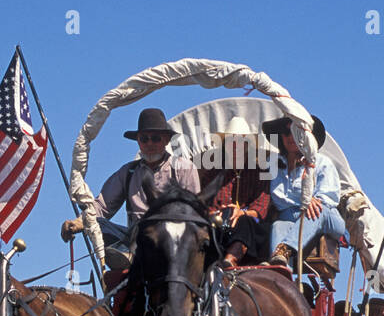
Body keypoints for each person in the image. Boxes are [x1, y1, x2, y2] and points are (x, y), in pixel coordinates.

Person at [60, 107, 199, 267]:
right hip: (134, 238)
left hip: (171, 239)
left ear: (166, 140)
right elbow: (101, 207)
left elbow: (192, 211)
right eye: (144, 139)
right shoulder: (128, 172)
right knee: (97, 224)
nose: (149, 144)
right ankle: (128, 257)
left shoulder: (183, 168)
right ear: (138, 142)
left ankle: (133, 256)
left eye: (155, 138)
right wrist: (79, 222)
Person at [262, 114, 346, 270]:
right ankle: (280, 270)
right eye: (287, 133)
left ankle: (284, 250)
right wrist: (304, 199)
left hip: (325, 216)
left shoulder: (321, 162)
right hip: (289, 216)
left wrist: (309, 200)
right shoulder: (273, 164)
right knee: (278, 225)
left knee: (315, 210)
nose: (291, 137)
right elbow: (278, 200)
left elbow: (327, 198)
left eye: (296, 132)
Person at [202, 118, 271, 269]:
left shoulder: (259, 173)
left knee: (246, 222)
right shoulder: (213, 173)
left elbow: (260, 210)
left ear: (247, 146)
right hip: (219, 225)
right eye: (230, 142)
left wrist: (241, 213)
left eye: (240, 142)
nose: (235, 146)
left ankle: (231, 258)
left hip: (248, 227)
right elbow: (203, 204)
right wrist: (218, 213)